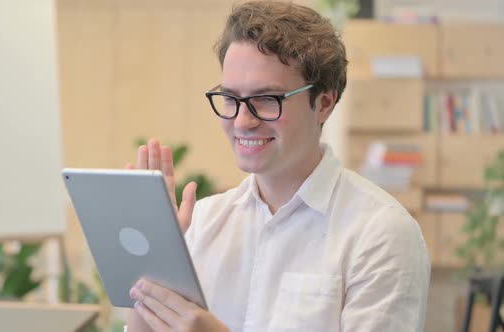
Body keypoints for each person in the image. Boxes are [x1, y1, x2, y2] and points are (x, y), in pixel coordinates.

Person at [126, 1, 430, 331]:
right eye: (230, 98)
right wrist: (155, 257)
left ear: (324, 103)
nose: (242, 121)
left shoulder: (381, 233)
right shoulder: (203, 223)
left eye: (267, 99)